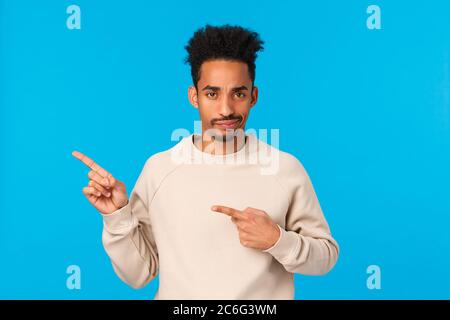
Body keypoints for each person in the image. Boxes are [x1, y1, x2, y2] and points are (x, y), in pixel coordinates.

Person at [72, 24, 339, 299]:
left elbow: (326, 257)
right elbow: (138, 274)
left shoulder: (284, 169)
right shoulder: (160, 169)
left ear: (253, 97)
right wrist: (117, 215)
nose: (226, 109)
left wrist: (277, 240)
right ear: (194, 97)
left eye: (239, 93)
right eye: (212, 94)